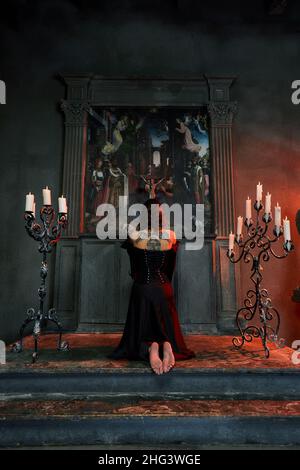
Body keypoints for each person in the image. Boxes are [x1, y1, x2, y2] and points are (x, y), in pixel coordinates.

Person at [108, 198, 195, 374]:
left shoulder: (134, 235)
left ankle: (151, 347)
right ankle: (167, 345)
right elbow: (170, 267)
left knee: (144, 320)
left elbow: (135, 267)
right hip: (164, 288)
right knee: (162, 319)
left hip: (143, 287)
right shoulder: (171, 235)